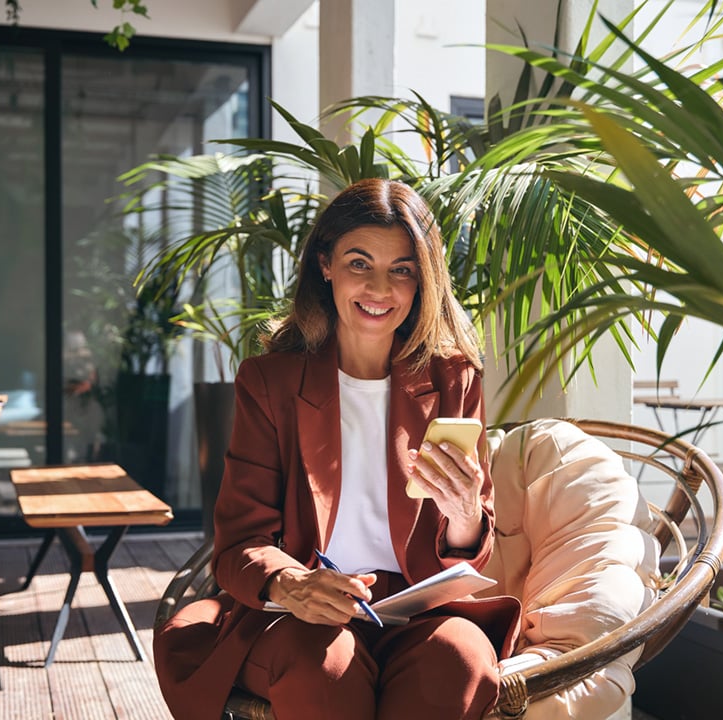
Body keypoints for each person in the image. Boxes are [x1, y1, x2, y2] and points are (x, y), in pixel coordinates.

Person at [155, 178, 521, 720]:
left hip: (413, 610)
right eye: (359, 263)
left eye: (402, 269)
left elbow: (469, 547)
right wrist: (292, 583)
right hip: (302, 607)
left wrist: (466, 516)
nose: (380, 288)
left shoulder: (453, 378)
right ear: (325, 265)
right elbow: (238, 543)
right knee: (325, 666)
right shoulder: (269, 382)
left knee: (462, 659)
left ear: (422, 281)